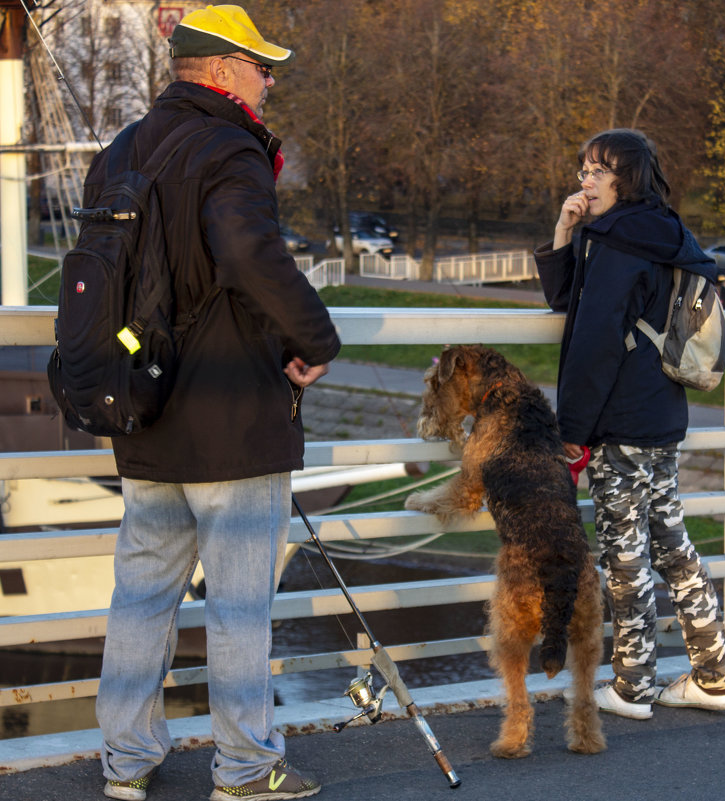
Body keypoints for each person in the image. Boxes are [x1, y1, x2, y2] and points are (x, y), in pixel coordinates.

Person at [94, 6, 340, 801]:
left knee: (141, 596)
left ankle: (125, 760)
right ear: (221, 68)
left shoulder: (121, 150)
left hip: (143, 405)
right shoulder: (229, 145)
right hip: (232, 413)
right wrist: (316, 338)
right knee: (238, 604)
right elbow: (245, 250)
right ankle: (243, 767)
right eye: (260, 66)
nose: (269, 79)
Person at [534, 129, 725, 720]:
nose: (585, 180)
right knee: (671, 545)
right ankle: (713, 675)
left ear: (626, 179)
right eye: (583, 169)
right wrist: (564, 234)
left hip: (619, 421)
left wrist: (572, 425)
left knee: (625, 557)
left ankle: (632, 688)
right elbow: (571, 299)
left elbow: (592, 339)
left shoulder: (618, 241)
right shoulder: (661, 230)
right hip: (662, 414)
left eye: (599, 171)